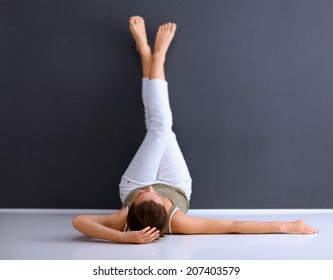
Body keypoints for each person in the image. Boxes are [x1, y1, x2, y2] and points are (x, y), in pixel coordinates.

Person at [72, 16, 319, 244]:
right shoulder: (177, 222)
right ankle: (150, 58)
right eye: (154, 196)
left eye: (141, 196)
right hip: (176, 184)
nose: (150, 188)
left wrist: (123, 237)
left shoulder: (123, 217)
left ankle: (156, 57)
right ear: (164, 210)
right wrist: (286, 227)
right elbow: (233, 226)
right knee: (159, 128)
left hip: (132, 181)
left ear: (131, 210)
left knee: (159, 128)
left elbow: (78, 221)